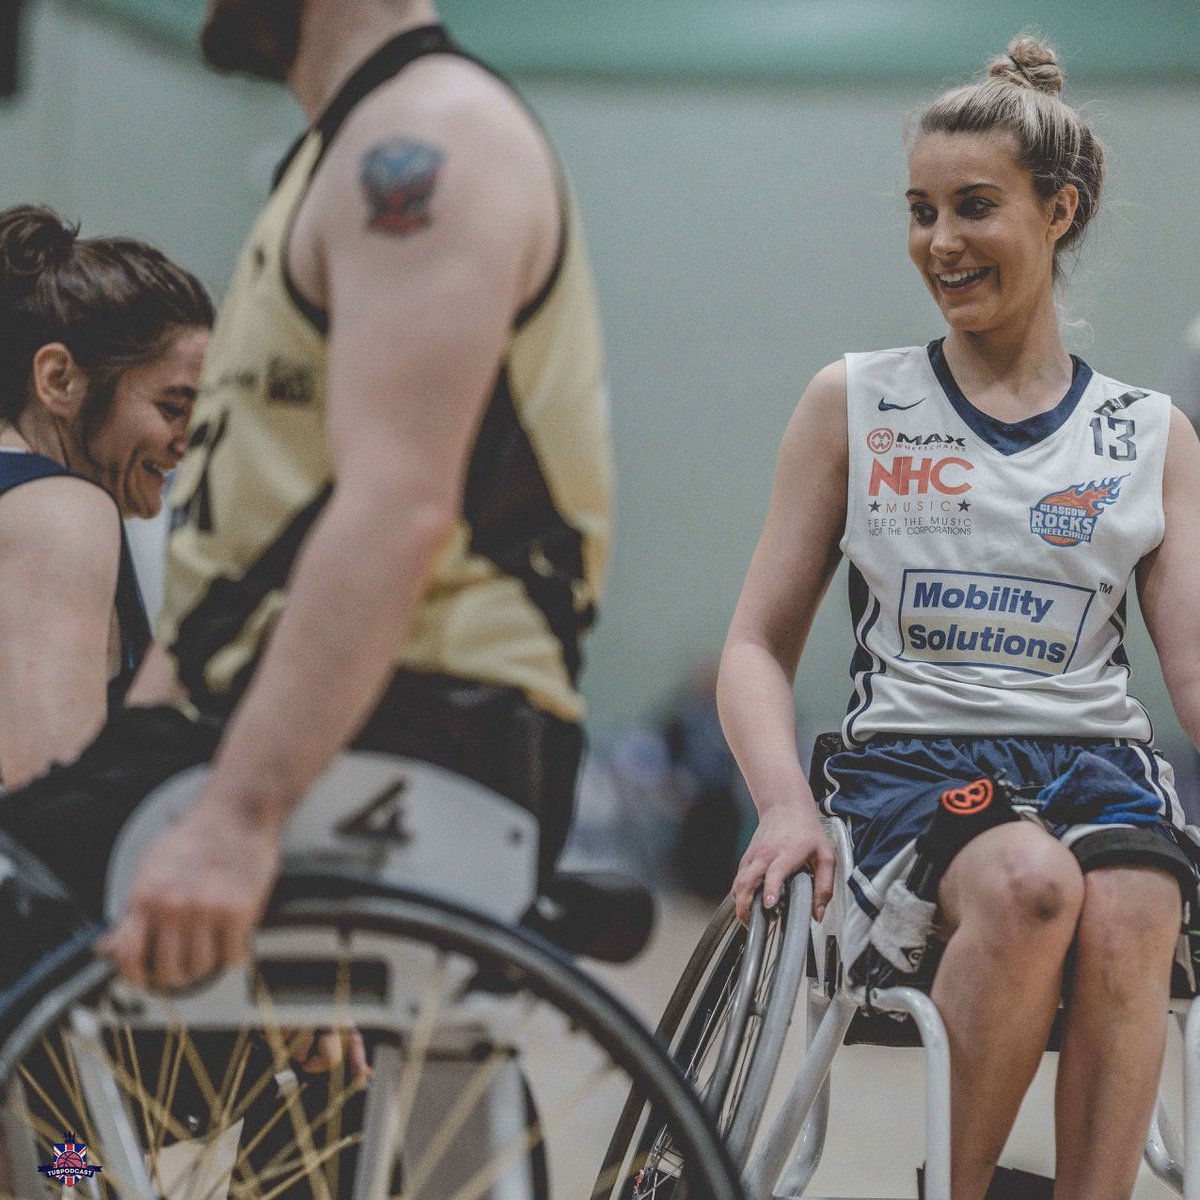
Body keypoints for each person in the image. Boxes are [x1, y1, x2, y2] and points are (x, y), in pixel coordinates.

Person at [0, 0, 611, 995]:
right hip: (255, 717)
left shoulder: (423, 140)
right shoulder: (338, 156)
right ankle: (93, 1159)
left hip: (420, 721)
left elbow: (397, 509)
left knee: (31, 955)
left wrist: (237, 824)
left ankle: (79, 1163)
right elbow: (231, 581)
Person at [718, 35, 1200, 1200]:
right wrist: (784, 803)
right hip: (911, 772)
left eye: (973, 207)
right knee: (1031, 884)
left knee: (1141, 897)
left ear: (1059, 211)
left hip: (1101, 771)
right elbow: (750, 648)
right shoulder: (855, 402)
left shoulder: (1151, 433)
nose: (939, 241)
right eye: (922, 209)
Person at [0, 205, 212, 788]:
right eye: (173, 408)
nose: (187, 444)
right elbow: (45, 795)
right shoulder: (57, 510)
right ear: (59, 381)